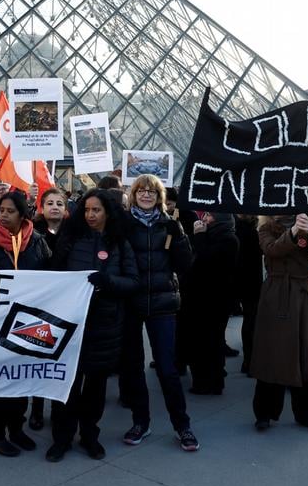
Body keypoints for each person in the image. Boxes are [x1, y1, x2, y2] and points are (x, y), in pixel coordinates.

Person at [45, 190, 138, 462]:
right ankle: (61, 439)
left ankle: (89, 436)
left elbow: (132, 281)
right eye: (86, 210)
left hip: (104, 327)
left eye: (96, 210)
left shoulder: (120, 243)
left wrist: (107, 282)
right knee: (67, 386)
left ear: (107, 212)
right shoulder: (71, 240)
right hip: (73, 324)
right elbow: (53, 278)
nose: (90, 215)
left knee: (96, 388)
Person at [119, 174, 198, 451]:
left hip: (163, 302)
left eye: (153, 191)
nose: (147, 195)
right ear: (134, 194)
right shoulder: (124, 224)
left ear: (159, 197)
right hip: (131, 301)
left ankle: (182, 425)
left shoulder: (170, 225)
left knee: (167, 368)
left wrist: (179, 238)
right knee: (133, 368)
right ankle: (141, 421)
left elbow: (186, 264)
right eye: (142, 190)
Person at [0, 192, 51, 457]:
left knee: (21, 377)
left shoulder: (37, 242)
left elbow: (50, 277)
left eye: (10, 211)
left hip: (27, 321)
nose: (3, 215)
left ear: (23, 215)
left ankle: (17, 429)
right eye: (1, 210)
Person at [251, 214, 308, 435]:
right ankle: (265, 413)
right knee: (272, 355)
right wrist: (294, 233)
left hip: (302, 294)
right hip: (276, 294)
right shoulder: (265, 227)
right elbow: (272, 250)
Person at [184, 212, 239, 395]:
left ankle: (210, 381)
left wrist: (199, 236)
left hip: (214, 299)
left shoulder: (228, 239)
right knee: (204, 340)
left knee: (209, 341)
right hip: (204, 297)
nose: (205, 219)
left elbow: (207, 259)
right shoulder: (214, 235)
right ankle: (207, 378)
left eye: (209, 216)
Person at [28, 187, 69, 430]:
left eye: (59, 204)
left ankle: (57, 408)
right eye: (50, 203)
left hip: (65, 305)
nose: (54, 206)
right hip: (38, 305)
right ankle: (36, 409)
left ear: (66, 210)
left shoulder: (74, 234)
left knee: (59, 359)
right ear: (41, 208)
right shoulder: (30, 234)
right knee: (38, 357)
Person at [234, 214, 263, 374]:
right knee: (253, 321)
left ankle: (249, 360)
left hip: (245, 282)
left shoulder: (239, 228)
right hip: (254, 281)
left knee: (249, 319)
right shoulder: (251, 231)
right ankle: (251, 361)